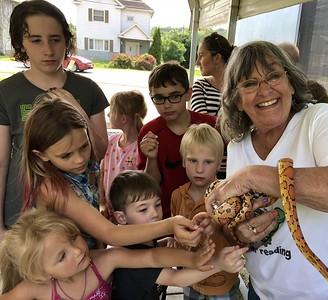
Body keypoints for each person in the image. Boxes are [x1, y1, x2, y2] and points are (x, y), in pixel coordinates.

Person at [204, 41, 328, 299]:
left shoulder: (318, 119)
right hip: (265, 293)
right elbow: (239, 224)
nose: (264, 90)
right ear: (236, 100)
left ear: (290, 83)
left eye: (273, 76)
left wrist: (253, 176)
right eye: (249, 83)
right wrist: (238, 233)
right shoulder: (238, 146)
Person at [21, 93, 207, 251]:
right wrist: (169, 224)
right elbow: (110, 233)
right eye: (66, 155)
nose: (79, 159)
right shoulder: (51, 188)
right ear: (41, 155)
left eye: (84, 146)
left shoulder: (81, 170)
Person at [0, 0, 109, 235]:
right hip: (24, 218)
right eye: (36, 40)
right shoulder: (6, 93)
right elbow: (1, 161)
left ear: (66, 41)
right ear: (21, 43)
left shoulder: (87, 89)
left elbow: (99, 152)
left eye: (55, 39)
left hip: (82, 222)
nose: (48, 50)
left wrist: (76, 109)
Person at [0, 209, 221, 300]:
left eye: (74, 237)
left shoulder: (103, 262)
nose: (77, 251)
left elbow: (152, 257)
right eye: (61, 256)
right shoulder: (37, 288)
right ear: (42, 273)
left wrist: (192, 260)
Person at [109, 170, 247, 300]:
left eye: (157, 205)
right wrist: (218, 264)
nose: (154, 213)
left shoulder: (142, 241)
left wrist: (163, 243)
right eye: (143, 209)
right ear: (121, 218)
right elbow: (177, 278)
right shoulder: (131, 255)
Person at [171, 123, 243, 300]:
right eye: (193, 160)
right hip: (190, 280)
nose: (199, 169)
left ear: (219, 164)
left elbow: (238, 235)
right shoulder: (177, 196)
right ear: (183, 160)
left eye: (208, 162)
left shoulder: (229, 196)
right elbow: (175, 234)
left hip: (223, 282)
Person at [138, 62, 216, 218]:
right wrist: (151, 159)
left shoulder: (211, 126)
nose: (167, 105)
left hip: (210, 216)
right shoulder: (149, 133)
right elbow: (150, 187)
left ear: (188, 94)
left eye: (174, 96)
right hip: (166, 217)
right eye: (159, 98)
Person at [101, 90, 147, 218]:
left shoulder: (141, 148)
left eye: (112, 110)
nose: (108, 114)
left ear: (123, 118)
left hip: (131, 214)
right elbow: (102, 171)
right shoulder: (111, 142)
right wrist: (102, 202)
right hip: (109, 212)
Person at [190, 32, 234, 116]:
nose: (197, 62)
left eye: (201, 55)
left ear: (217, 58)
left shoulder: (238, 87)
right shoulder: (200, 86)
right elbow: (201, 123)